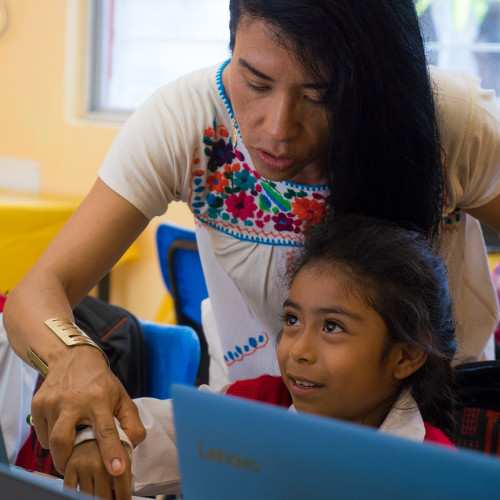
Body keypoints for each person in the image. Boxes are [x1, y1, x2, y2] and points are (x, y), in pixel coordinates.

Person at [3, 0, 500, 485]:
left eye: (318, 93)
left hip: (445, 415)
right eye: (256, 82)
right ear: (231, 41)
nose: (277, 128)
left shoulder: (445, 120)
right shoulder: (188, 121)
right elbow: (38, 291)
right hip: (260, 417)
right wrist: (74, 358)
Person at [63, 215, 457, 499]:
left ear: (405, 357)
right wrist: (92, 439)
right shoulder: (253, 407)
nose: (298, 351)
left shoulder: (433, 474)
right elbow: (150, 434)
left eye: (332, 327)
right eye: (291, 320)